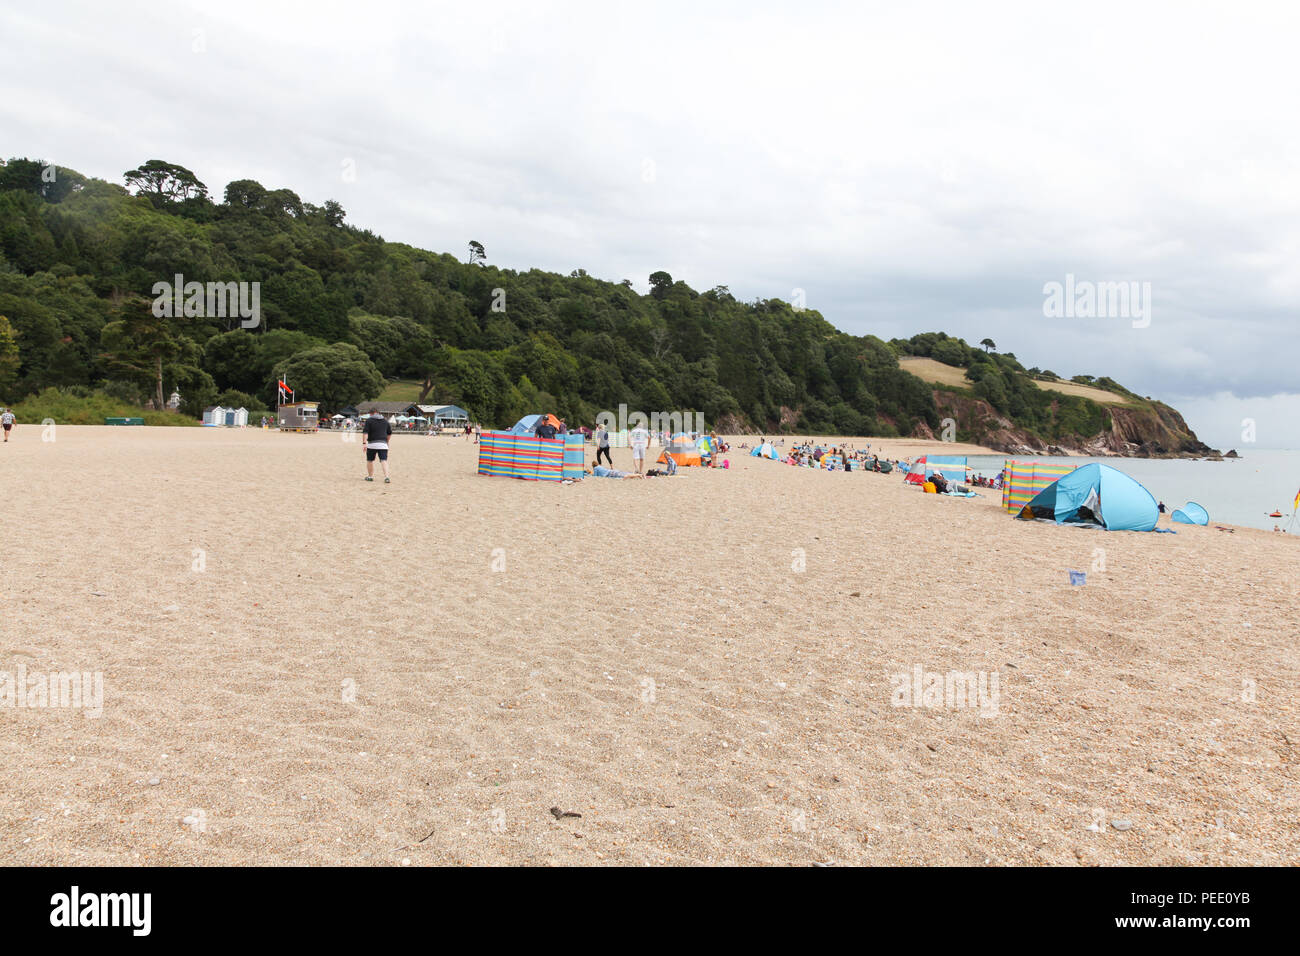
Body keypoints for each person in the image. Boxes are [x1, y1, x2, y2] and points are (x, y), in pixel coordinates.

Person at [362, 411, 393, 482]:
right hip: (383, 444)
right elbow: (389, 433)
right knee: (384, 460)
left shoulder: (369, 420)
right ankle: (386, 477)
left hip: (372, 444)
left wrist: (364, 443)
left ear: (372, 413)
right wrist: (387, 442)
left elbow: (365, 432)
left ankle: (370, 476)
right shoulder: (385, 421)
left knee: (370, 460)